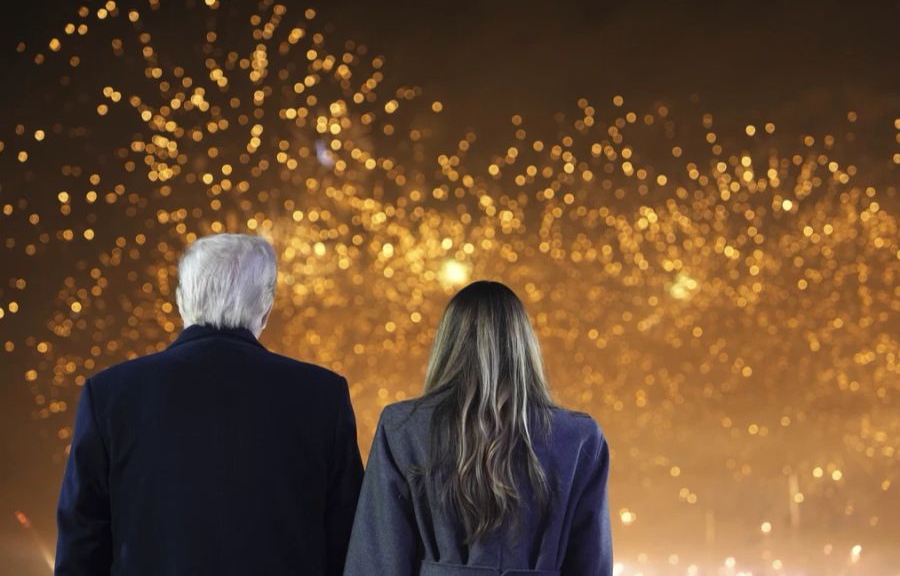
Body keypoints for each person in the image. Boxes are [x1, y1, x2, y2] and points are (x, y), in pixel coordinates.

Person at [55, 233, 364, 576]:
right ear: (265, 309)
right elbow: (351, 545)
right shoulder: (323, 396)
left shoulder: (109, 394)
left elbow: (81, 544)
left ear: (181, 301)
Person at [344, 280, 613, 576]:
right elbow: (592, 565)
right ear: (525, 345)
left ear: (447, 343)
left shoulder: (403, 426)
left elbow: (377, 562)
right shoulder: (579, 437)